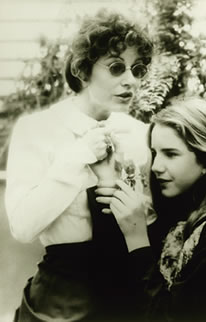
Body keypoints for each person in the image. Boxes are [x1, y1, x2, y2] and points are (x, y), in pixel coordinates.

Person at [5, 10, 154, 321]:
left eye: (138, 70)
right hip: (62, 299)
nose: (131, 81)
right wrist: (76, 158)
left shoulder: (141, 135)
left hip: (127, 293)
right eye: (116, 68)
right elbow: (22, 227)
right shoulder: (37, 130)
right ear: (83, 70)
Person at [94, 96, 206, 321]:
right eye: (154, 153)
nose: (157, 166)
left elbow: (170, 316)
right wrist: (107, 178)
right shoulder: (185, 210)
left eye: (171, 154)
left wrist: (136, 236)